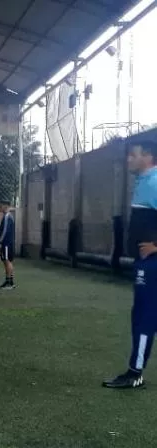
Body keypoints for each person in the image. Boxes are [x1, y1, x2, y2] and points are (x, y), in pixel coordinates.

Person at [103, 137, 157, 389]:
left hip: (153, 264)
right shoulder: (142, 182)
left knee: (144, 318)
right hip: (143, 263)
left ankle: (135, 373)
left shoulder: (155, 181)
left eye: (133, 155)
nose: (128, 159)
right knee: (141, 316)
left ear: (147, 157)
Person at [0, 202, 16, 290]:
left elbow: (5, 230)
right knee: (7, 261)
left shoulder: (7, 216)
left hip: (7, 243)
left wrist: (0, 241)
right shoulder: (8, 216)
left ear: (6, 206)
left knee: (7, 261)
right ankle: (9, 281)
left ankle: (9, 282)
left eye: (0, 206)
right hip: (8, 242)